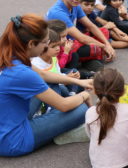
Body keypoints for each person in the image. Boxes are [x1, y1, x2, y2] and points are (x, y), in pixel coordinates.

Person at [0, 14, 92, 156]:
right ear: (31, 44)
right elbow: (64, 105)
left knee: (53, 85)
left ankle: (53, 122)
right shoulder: (22, 72)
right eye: (45, 42)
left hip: (7, 121)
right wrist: (85, 94)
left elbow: (43, 75)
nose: (46, 45)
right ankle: (58, 128)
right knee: (81, 109)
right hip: (14, 140)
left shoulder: (10, 53)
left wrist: (78, 81)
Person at [47, 0, 115, 71]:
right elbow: (81, 38)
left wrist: (107, 44)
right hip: (61, 49)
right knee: (93, 49)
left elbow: (91, 26)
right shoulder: (58, 12)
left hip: (72, 43)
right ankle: (84, 63)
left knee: (104, 32)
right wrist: (104, 46)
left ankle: (87, 61)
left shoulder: (75, 5)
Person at [85, 68, 128, 168]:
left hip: (98, 162)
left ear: (95, 91)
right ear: (123, 92)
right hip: (127, 158)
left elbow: (90, 135)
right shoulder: (127, 109)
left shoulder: (90, 112)